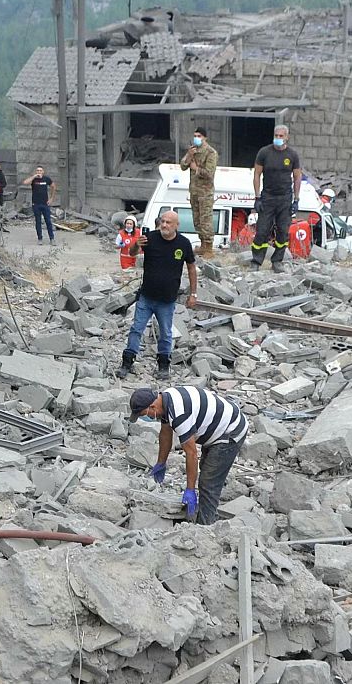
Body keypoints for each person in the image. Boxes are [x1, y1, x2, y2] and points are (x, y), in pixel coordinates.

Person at [128, 384, 248, 525]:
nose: (148, 417)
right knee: (206, 470)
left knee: (209, 482)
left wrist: (190, 489)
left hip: (230, 431)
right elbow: (165, 434)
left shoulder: (180, 414)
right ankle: (207, 514)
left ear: (152, 407)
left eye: (144, 414)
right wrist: (161, 462)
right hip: (217, 426)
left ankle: (205, 529)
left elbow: (191, 453)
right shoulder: (166, 400)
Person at [116, 210, 198, 381]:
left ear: (176, 225)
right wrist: (137, 244)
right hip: (146, 296)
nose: (164, 225)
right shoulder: (150, 238)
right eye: (162, 221)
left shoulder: (183, 243)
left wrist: (193, 293)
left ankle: (163, 366)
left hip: (167, 300)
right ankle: (127, 363)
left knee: (166, 334)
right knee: (136, 329)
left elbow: (191, 268)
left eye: (168, 222)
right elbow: (131, 254)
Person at [250, 125, 303, 272]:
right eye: (276, 135)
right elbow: (256, 175)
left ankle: (277, 261)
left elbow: (297, 177)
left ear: (287, 137)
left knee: (283, 231)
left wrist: (296, 200)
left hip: (285, 198)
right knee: (262, 231)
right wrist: (257, 197)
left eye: (281, 136)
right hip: (268, 197)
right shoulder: (264, 152)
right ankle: (256, 260)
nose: (278, 138)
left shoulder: (292, 155)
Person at [179, 127, 219, 257]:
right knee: (196, 220)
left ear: (205, 137)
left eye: (199, 136)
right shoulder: (193, 151)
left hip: (205, 192)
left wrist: (196, 169)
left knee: (205, 219)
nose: (196, 138)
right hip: (194, 191)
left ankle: (208, 247)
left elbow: (209, 173)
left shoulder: (210, 153)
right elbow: (183, 166)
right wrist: (189, 155)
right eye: (195, 135)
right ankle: (202, 244)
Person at [23, 166, 56, 243]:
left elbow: (53, 186)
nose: (39, 172)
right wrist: (34, 176)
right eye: (37, 170)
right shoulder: (34, 179)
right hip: (36, 204)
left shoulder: (46, 179)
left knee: (48, 221)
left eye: (40, 170)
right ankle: (40, 238)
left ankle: (52, 238)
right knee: (38, 221)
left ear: (43, 171)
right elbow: (25, 182)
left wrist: (51, 198)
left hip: (45, 204)